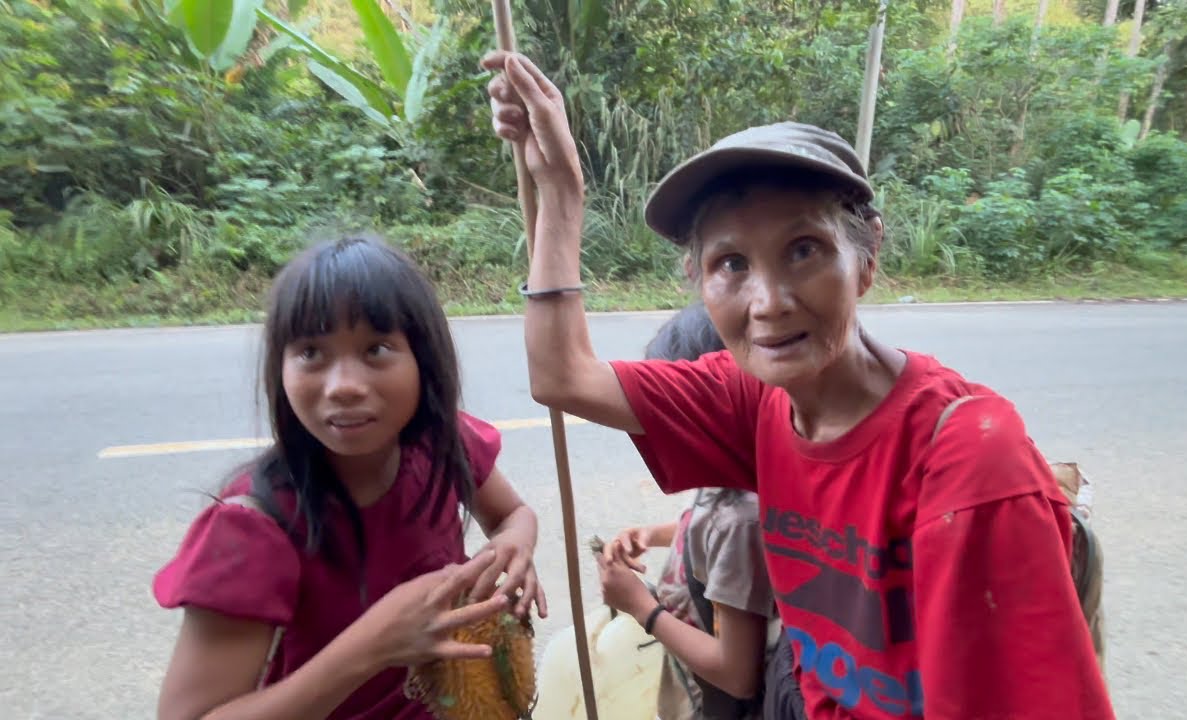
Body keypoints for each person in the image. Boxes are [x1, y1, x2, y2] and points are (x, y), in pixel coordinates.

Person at [482, 50, 1114, 720]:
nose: (769, 302)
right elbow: (562, 376)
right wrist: (559, 191)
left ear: (866, 257)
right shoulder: (755, 397)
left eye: (804, 249)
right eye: (732, 263)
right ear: (699, 281)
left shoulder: (969, 459)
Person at [152, 234, 548, 720]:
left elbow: (512, 514)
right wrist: (374, 644)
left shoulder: (444, 446)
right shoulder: (251, 531)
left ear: (424, 361)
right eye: (311, 353)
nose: (343, 387)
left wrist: (514, 546)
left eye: (376, 349)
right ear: (280, 367)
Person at [596, 301, 779, 720]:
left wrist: (642, 606)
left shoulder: (739, 523)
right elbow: (705, 528)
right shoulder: (730, 478)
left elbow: (737, 675)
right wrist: (655, 533)